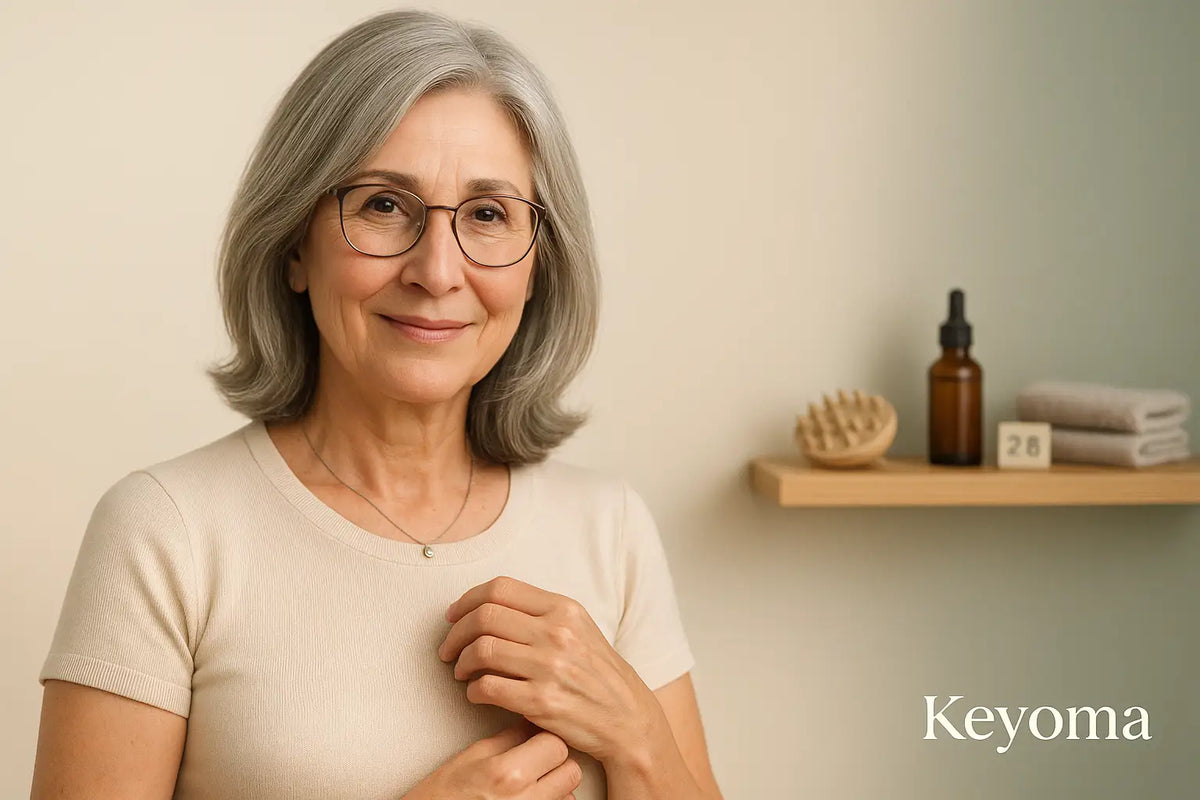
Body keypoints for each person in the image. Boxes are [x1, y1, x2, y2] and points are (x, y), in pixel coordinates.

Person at [30, 9, 722, 800]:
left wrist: (638, 738)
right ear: (294, 243)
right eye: (384, 206)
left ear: (539, 266)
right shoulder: (166, 532)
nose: (437, 269)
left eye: (489, 214)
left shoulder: (612, 529)